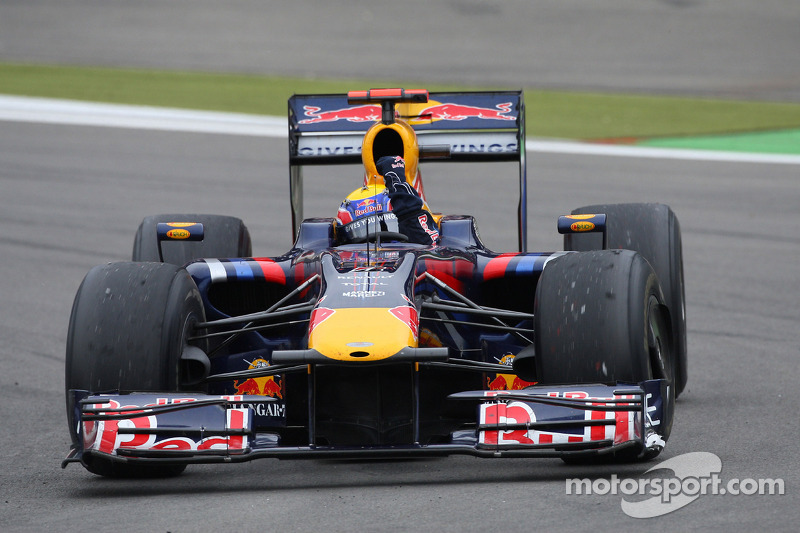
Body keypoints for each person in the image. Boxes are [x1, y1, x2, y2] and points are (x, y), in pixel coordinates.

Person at [336, 155, 439, 245]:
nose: (379, 244)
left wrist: (400, 190)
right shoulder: (334, 259)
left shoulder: (414, 249)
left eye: (390, 227)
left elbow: (428, 244)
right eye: (361, 232)